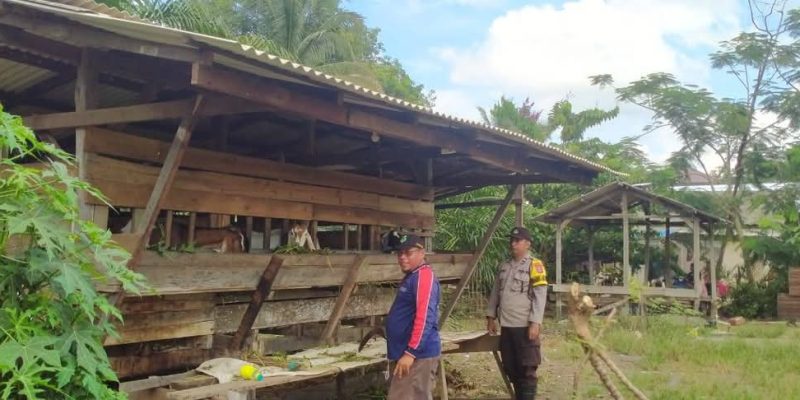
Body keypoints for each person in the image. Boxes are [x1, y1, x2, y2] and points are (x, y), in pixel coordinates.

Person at [486, 227, 548, 400]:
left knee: (527, 368)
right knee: (510, 366)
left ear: (527, 244)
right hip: (507, 325)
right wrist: (491, 316)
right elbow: (495, 292)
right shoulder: (504, 266)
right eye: (512, 240)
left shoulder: (535, 265)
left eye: (517, 240)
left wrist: (535, 322)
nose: (513, 244)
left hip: (525, 326)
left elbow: (540, 295)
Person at [385, 234, 441, 399]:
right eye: (400, 253)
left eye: (408, 253)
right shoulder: (413, 276)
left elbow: (425, 318)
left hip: (418, 357)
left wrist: (410, 353)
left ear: (422, 253)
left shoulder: (423, 277)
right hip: (410, 353)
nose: (402, 257)